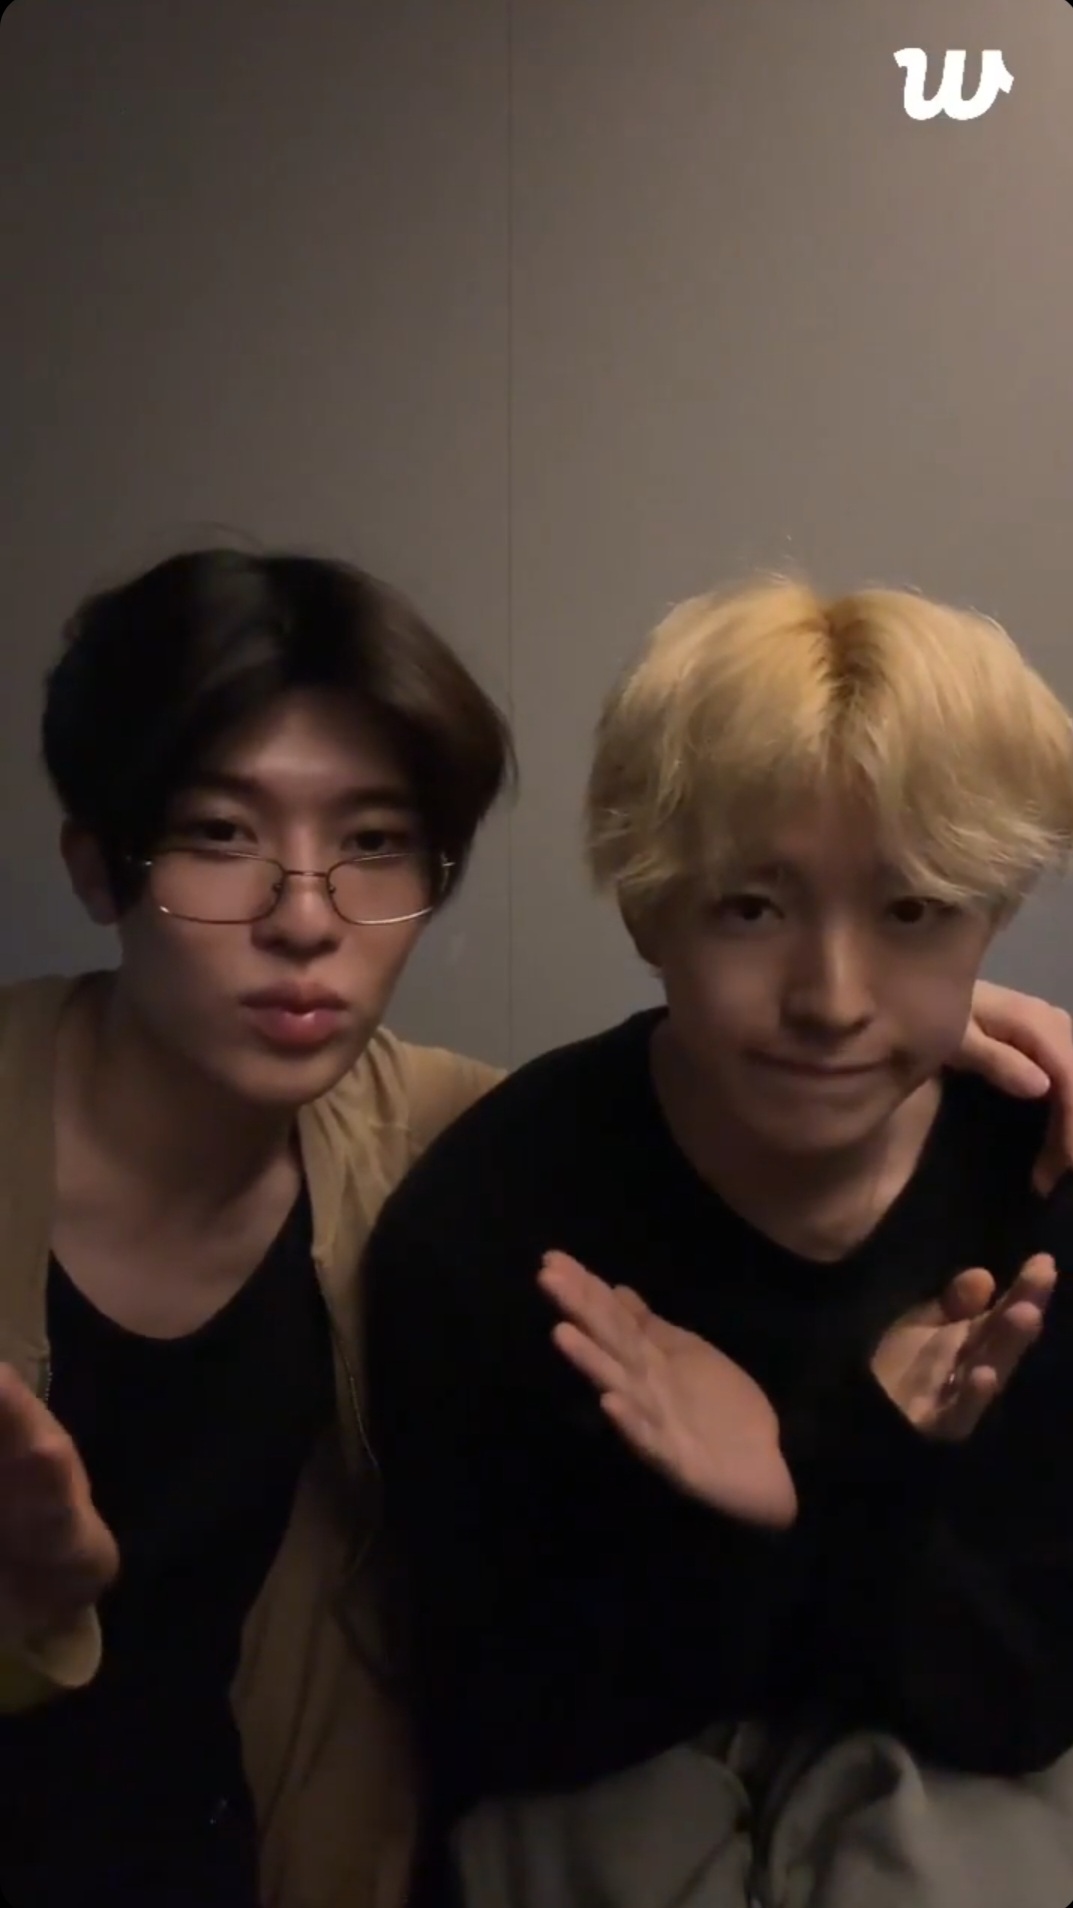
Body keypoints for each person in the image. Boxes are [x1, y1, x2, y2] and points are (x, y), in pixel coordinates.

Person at [363, 576, 1073, 1908]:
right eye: (753, 907)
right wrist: (742, 1530)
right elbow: (502, 1724)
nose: (831, 1000)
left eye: (913, 910)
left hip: (951, 1732)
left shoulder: (1037, 1192)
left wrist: (831, 1472)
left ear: (993, 921)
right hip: (613, 1746)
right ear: (648, 909)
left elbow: (1024, 1707)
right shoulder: (496, 1223)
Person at [0, 546, 514, 1908]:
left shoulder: (442, 1143)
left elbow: (715, 1092)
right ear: (100, 866)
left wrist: (933, 1031)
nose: (304, 917)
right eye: (222, 835)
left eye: (373, 843)